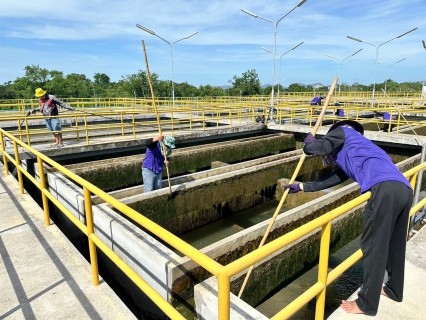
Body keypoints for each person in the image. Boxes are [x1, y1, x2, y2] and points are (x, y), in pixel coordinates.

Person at [283, 120, 413, 316]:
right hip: (403, 189)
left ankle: (366, 304)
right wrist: (302, 187)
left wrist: (309, 142)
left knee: (373, 247)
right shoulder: (355, 152)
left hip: (384, 190)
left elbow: (316, 148)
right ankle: (394, 290)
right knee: (395, 245)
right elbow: (332, 179)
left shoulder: (344, 132)